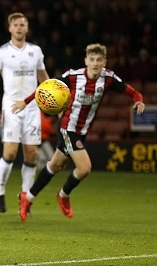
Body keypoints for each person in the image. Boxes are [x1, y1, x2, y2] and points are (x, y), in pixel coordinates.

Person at [13, 43, 145, 222]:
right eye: (92, 59)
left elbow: (133, 92)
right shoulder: (74, 76)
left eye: (99, 60)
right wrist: (26, 101)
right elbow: (48, 87)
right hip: (68, 128)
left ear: (104, 61)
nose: (95, 63)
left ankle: (27, 198)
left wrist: (139, 101)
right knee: (84, 168)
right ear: (86, 61)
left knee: (55, 165)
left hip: (82, 131)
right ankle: (63, 194)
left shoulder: (108, 79)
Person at [0, 12, 49, 214]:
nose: (19, 28)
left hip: (32, 107)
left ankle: (25, 197)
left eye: (23, 24)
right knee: (10, 152)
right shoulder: (1, 53)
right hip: (11, 106)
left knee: (32, 154)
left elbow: (43, 78)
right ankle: (0, 191)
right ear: (10, 28)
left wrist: (53, 96)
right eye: (16, 24)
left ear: (27, 28)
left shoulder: (36, 51)